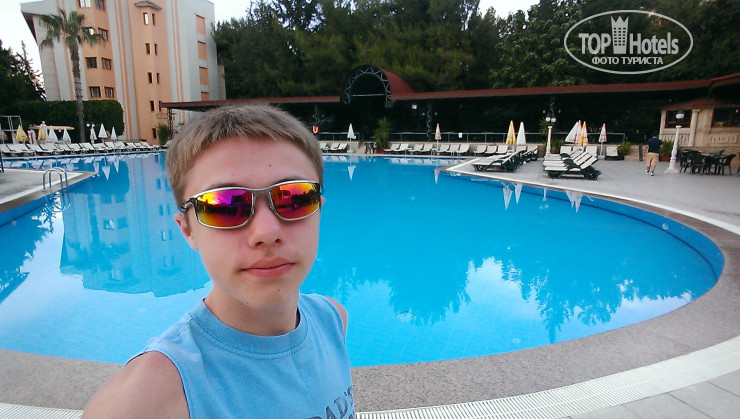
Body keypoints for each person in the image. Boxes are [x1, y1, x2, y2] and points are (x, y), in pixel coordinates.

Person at [83, 105, 355, 418]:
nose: (267, 233)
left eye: (294, 197)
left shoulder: (332, 320)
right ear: (188, 230)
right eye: (225, 206)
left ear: (318, 209)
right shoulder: (148, 399)